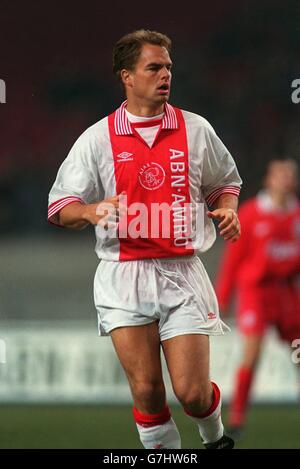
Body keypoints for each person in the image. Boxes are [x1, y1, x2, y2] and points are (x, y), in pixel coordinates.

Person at [48, 29, 242, 449]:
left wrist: (228, 208)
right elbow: (60, 206)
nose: (165, 74)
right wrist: (88, 210)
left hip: (182, 271)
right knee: (149, 392)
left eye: (168, 66)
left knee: (192, 393)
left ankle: (216, 440)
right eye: (153, 67)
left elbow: (225, 182)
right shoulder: (97, 138)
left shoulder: (195, 129)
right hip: (123, 276)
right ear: (127, 77)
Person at [215, 159, 300, 439]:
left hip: (285, 292)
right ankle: (238, 416)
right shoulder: (251, 214)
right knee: (252, 354)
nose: (286, 180)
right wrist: (223, 297)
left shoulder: (297, 214)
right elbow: (233, 259)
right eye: (281, 174)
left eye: (290, 175)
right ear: (269, 180)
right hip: (255, 293)